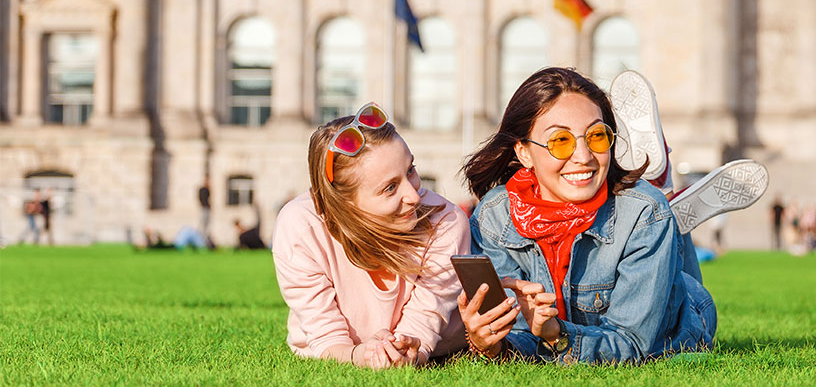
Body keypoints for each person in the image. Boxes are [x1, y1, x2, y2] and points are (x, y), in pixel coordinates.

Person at [459, 67, 763, 363]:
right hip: (645, 223)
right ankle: (658, 186)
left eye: (597, 137)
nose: (584, 157)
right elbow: (519, 337)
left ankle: (659, 189)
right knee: (656, 210)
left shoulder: (642, 212)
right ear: (524, 152)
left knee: (653, 212)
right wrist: (492, 345)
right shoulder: (494, 217)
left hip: (681, 320)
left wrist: (556, 335)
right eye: (560, 141)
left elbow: (633, 342)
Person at [272, 103, 468, 368]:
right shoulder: (300, 227)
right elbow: (326, 337)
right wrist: (360, 355)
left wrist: (408, 352)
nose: (413, 196)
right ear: (343, 203)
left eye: (410, 170)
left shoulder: (446, 220)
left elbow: (424, 324)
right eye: (390, 188)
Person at [198, 178, 212, 244]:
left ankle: (205, 239)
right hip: (204, 208)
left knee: (206, 225)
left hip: (206, 208)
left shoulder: (208, 189)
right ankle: (202, 240)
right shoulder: (202, 190)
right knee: (203, 224)